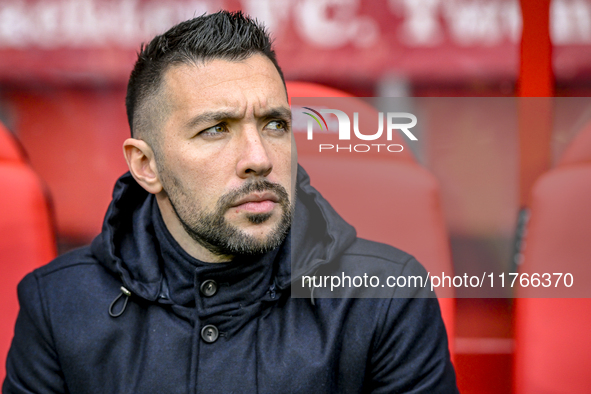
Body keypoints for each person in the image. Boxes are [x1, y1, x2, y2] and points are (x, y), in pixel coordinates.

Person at [3, 11, 458, 393]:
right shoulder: (59, 306)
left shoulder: (385, 297)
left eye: (275, 125)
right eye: (215, 129)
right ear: (146, 165)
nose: (258, 159)